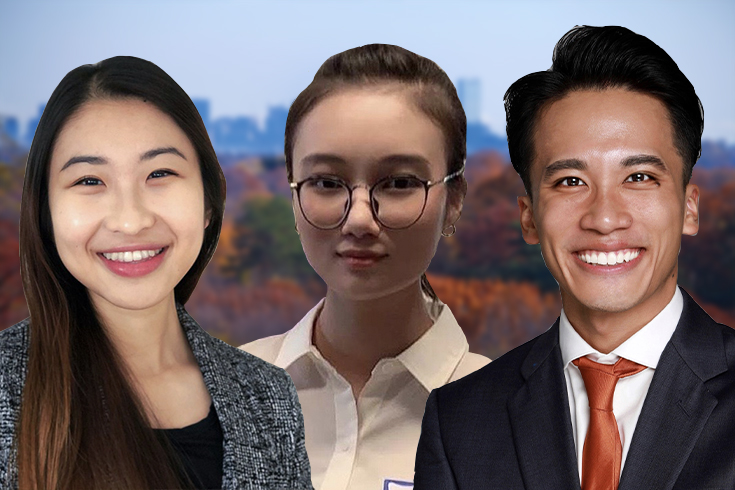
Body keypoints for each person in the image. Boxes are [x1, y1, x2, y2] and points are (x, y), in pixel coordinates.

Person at [414, 25, 735, 489]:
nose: (605, 219)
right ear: (528, 217)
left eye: (640, 177)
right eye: (570, 182)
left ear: (688, 206)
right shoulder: (460, 421)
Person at [0, 56, 312, 490]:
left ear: (208, 201)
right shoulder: (5, 385)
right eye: (90, 181)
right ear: (44, 211)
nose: (130, 220)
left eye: (160, 172)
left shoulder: (268, 399)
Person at [240, 44, 490, 490]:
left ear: (454, 200)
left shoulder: (509, 413)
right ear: (293, 194)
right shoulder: (226, 392)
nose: (358, 219)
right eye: (326, 183)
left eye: (398, 183)